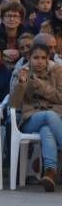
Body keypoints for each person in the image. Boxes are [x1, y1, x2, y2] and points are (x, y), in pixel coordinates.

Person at [10, 44, 62, 191]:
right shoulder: (20, 73)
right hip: (30, 118)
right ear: (29, 58)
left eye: (43, 58)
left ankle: (50, 173)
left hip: (56, 118)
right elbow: (14, 105)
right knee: (48, 116)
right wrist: (21, 84)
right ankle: (50, 171)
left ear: (48, 60)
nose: (39, 61)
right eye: (36, 57)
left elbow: (60, 97)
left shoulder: (58, 72)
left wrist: (40, 85)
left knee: (47, 130)